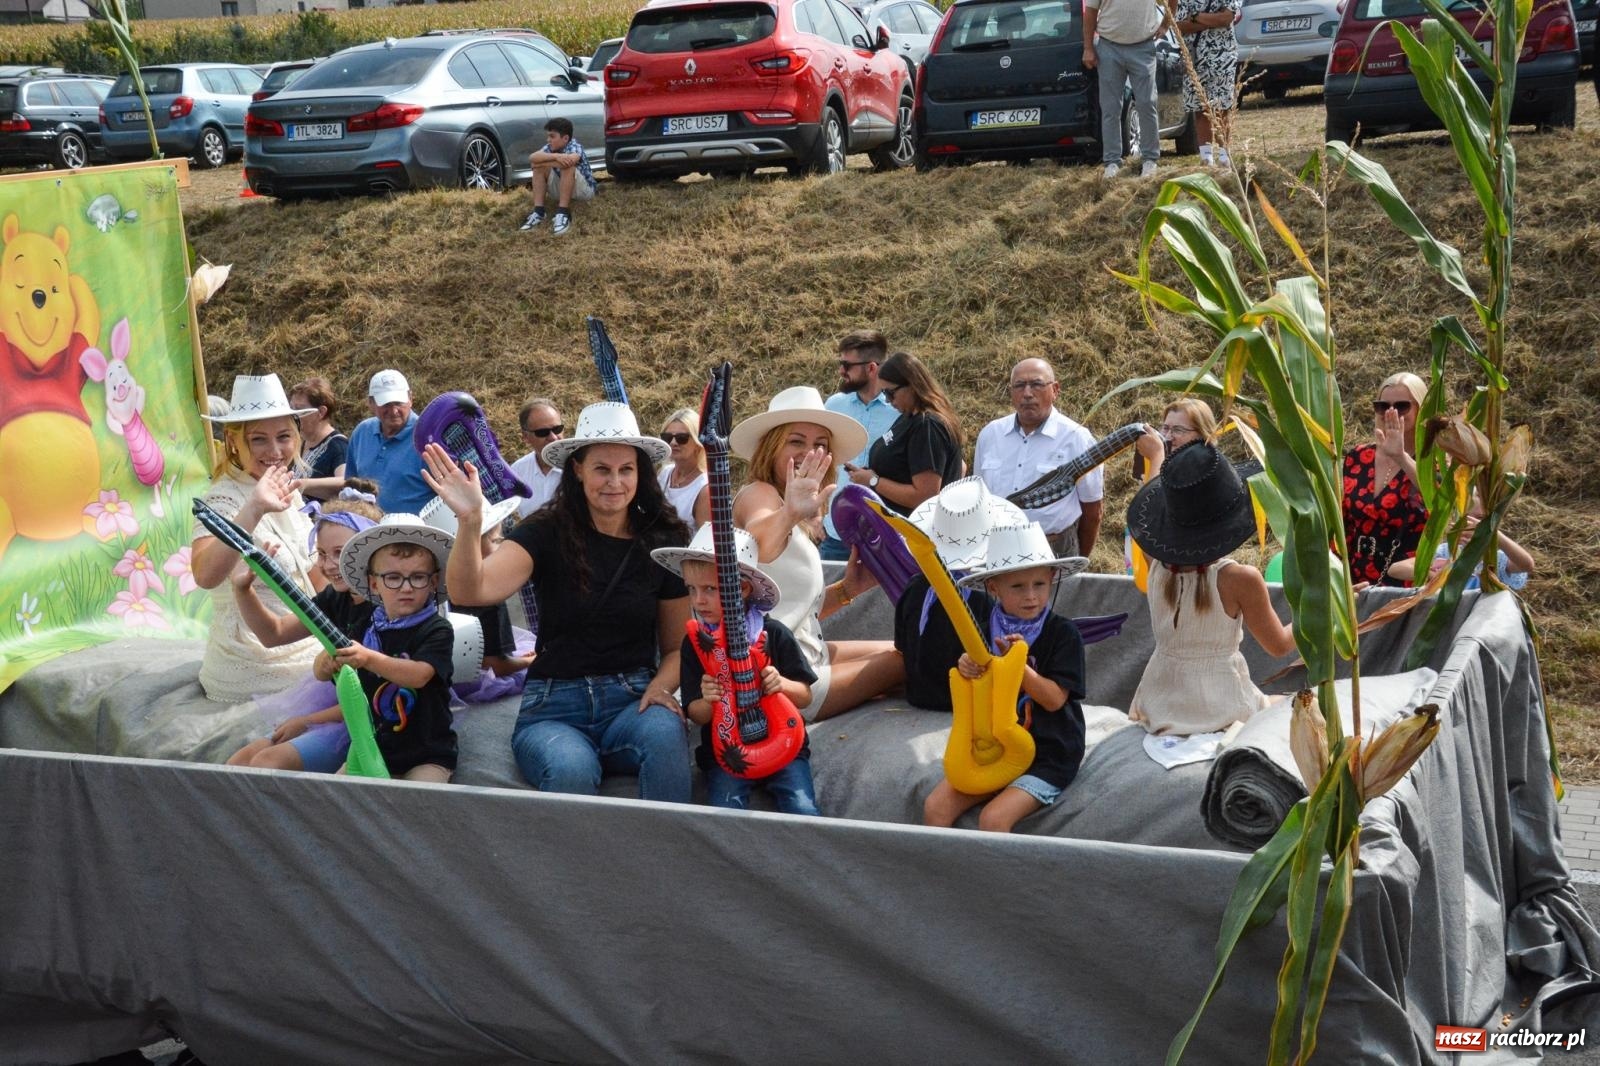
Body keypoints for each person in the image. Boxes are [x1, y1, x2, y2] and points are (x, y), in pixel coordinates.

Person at [424, 402, 695, 802]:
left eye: (626, 470)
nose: (614, 482)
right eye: (602, 468)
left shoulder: (663, 539)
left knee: (664, 733)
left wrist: (660, 688)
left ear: (641, 474)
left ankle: (667, 858)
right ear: (578, 469)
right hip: (554, 703)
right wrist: (469, 522)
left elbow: (677, 647)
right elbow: (471, 591)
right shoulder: (546, 531)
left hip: (632, 698)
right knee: (571, 769)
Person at [731, 386, 904, 722]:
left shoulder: (793, 509)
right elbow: (758, 540)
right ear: (772, 447)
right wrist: (788, 514)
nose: (809, 452)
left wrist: (848, 590)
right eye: (796, 441)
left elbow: (792, 609)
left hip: (805, 655)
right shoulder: (759, 493)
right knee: (906, 659)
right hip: (780, 677)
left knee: (907, 646)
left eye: (819, 444)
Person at [922, 522, 1090, 832]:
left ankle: (992, 881)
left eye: (1039, 584)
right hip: (992, 751)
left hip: (1048, 755)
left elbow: (1054, 700)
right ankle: (943, 877)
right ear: (994, 587)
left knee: (994, 818)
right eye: (1017, 587)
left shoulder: (1063, 634)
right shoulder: (982, 630)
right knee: (936, 807)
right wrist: (966, 668)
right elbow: (971, 694)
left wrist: (1018, 665)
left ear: (1052, 580)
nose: (1031, 596)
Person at [1126, 443, 1296, 735]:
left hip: (1159, 701)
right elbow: (1278, 645)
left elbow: (1146, 529)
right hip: (1224, 706)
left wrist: (1156, 458)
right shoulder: (1240, 578)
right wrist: (1327, 608)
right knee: (1298, 703)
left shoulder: (1154, 562)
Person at [653, 525, 821, 814]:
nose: (698, 600)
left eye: (709, 589)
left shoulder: (774, 634)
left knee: (803, 808)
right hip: (727, 753)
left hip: (784, 747)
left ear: (741, 589)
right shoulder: (695, 644)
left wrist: (781, 683)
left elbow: (805, 696)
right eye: (691, 590)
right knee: (725, 812)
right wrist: (709, 699)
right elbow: (698, 714)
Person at [224, 486, 382, 772]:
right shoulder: (337, 597)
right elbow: (275, 634)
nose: (329, 565)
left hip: (368, 718)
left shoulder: (386, 610)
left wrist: (307, 722)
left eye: (340, 553)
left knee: (268, 762)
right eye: (322, 554)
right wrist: (244, 590)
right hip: (337, 706)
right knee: (242, 760)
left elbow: (373, 699)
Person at [191, 374, 322, 703]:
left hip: (309, 641)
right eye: (259, 440)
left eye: (283, 437)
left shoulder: (290, 492)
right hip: (250, 661)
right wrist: (254, 509)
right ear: (234, 441)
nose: (275, 451)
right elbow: (205, 575)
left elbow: (316, 578)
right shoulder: (221, 500)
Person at [333, 515, 460, 782]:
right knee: (337, 795)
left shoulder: (437, 629)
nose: (406, 587)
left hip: (427, 753)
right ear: (374, 583)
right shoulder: (365, 624)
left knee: (419, 803)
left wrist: (367, 657)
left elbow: (419, 675)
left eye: (418, 577)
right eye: (393, 577)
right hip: (372, 749)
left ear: (434, 582)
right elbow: (326, 672)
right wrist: (325, 663)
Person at [974, 358, 1105, 558]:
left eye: (1036, 384)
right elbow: (979, 499)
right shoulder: (991, 435)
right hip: (1000, 548)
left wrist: (1079, 559)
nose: (1027, 393)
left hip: (1054, 548)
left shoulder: (1076, 438)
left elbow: (1093, 511)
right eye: (1019, 385)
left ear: (1055, 390)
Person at [420, 494, 535, 678]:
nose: (501, 547)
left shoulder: (432, 589)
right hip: (476, 681)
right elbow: (493, 665)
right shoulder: (487, 596)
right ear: (474, 548)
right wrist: (529, 661)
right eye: (496, 540)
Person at [844, 351, 964, 516]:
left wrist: (874, 481)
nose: (887, 400)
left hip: (915, 533)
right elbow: (959, 466)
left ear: (912, 385)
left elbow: (926, 496)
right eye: (884, 394)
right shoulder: (911, 417)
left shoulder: (927, 425)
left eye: (889, 393)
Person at [1343, 372, 1429, 587]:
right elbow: (1342, 521)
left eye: (1402, 406)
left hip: (1405, 580)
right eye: (1383, 406)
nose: (1391, 412)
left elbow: (1439, 500)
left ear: (1421, 410)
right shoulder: (1359, 457)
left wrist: (1401, 457)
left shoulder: (1433, 461)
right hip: (1355, 578)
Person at [821, 329, 899, 561]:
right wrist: (815, 517)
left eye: (847, 365)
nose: (841, 371)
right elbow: (818, 460)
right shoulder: (834, 405)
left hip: (883, 537)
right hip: (834, 537)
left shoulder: (899, 411)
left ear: (872, 368)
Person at [1128, 397, 1218, 575]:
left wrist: (1156, 456)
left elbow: (1151, 517)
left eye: (1178, 430)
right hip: (1159, 574)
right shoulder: (1167, 469)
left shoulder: (1206, 473)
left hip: (1193, 576)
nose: (1168, 436)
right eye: (1165, 428)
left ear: (1202, 434)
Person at [1083, 0, 1166, 179]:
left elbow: (1173, 2)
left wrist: (1165, 25)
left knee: (1147, 103)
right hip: (1108, 46)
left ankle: (1150, 159)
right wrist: (1088, 48)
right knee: (1110, 107)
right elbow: (1090, 12)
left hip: (1143, 46)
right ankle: (1112, 162)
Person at [1387, 492, 1535, 591]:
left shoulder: (1494, 557)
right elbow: (1395, 569)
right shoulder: (1446, 551)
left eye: (1480, 519)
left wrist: (1495, 536)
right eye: (1467, 518)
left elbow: (1526, 565)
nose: (1473, 524)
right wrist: (1436, 576)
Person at [345, 368, 431, 515]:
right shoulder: (362, 432)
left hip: (416, 533)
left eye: (398, 402)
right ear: (371, 403)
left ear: (410, 398)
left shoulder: (427, 437)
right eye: (386, 404)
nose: (393, 411)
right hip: (367, 529)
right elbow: (351, 484)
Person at [1171, 0, 1241, 167]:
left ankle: (1225, 157)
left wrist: (1196, 16)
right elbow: (1179, 26)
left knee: (1222, 108)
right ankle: (1206, 158)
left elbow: (1226, 18)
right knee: (1200, 109)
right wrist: (1212, 20)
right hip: (1193, 59)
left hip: (1222, 58)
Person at [518, 117, 597, 237]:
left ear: (565, 138)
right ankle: (539, 212)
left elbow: (571, 161)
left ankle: (563, 213)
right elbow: (532, 158)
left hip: (584, 192)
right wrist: (556, 157)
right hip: (563, 187)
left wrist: (544, 161)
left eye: (552, 136)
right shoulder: (551, 148)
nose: (548, 139)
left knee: (567, 166)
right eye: (548, 136)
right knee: (539, 168)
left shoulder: (575, 146)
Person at [288, 376, 348, 501]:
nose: (293, 416)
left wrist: (299, 484)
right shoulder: (301, 442)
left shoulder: (338, 445)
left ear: (321, 412)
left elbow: (346, 482)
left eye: (299, 410)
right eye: (291, 409)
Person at [509, 397, 566, 519]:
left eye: (557, 429)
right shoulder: (517, 472)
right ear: (525, 436)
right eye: (542, 432)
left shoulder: (582, 468)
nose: (553, 437)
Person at [658, 408, 711, 529]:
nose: (673, 442)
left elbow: (704, 543)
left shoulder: (705, 488)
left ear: (698, 443)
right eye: (667, 437)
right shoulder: (665, 474)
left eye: (682, 438)